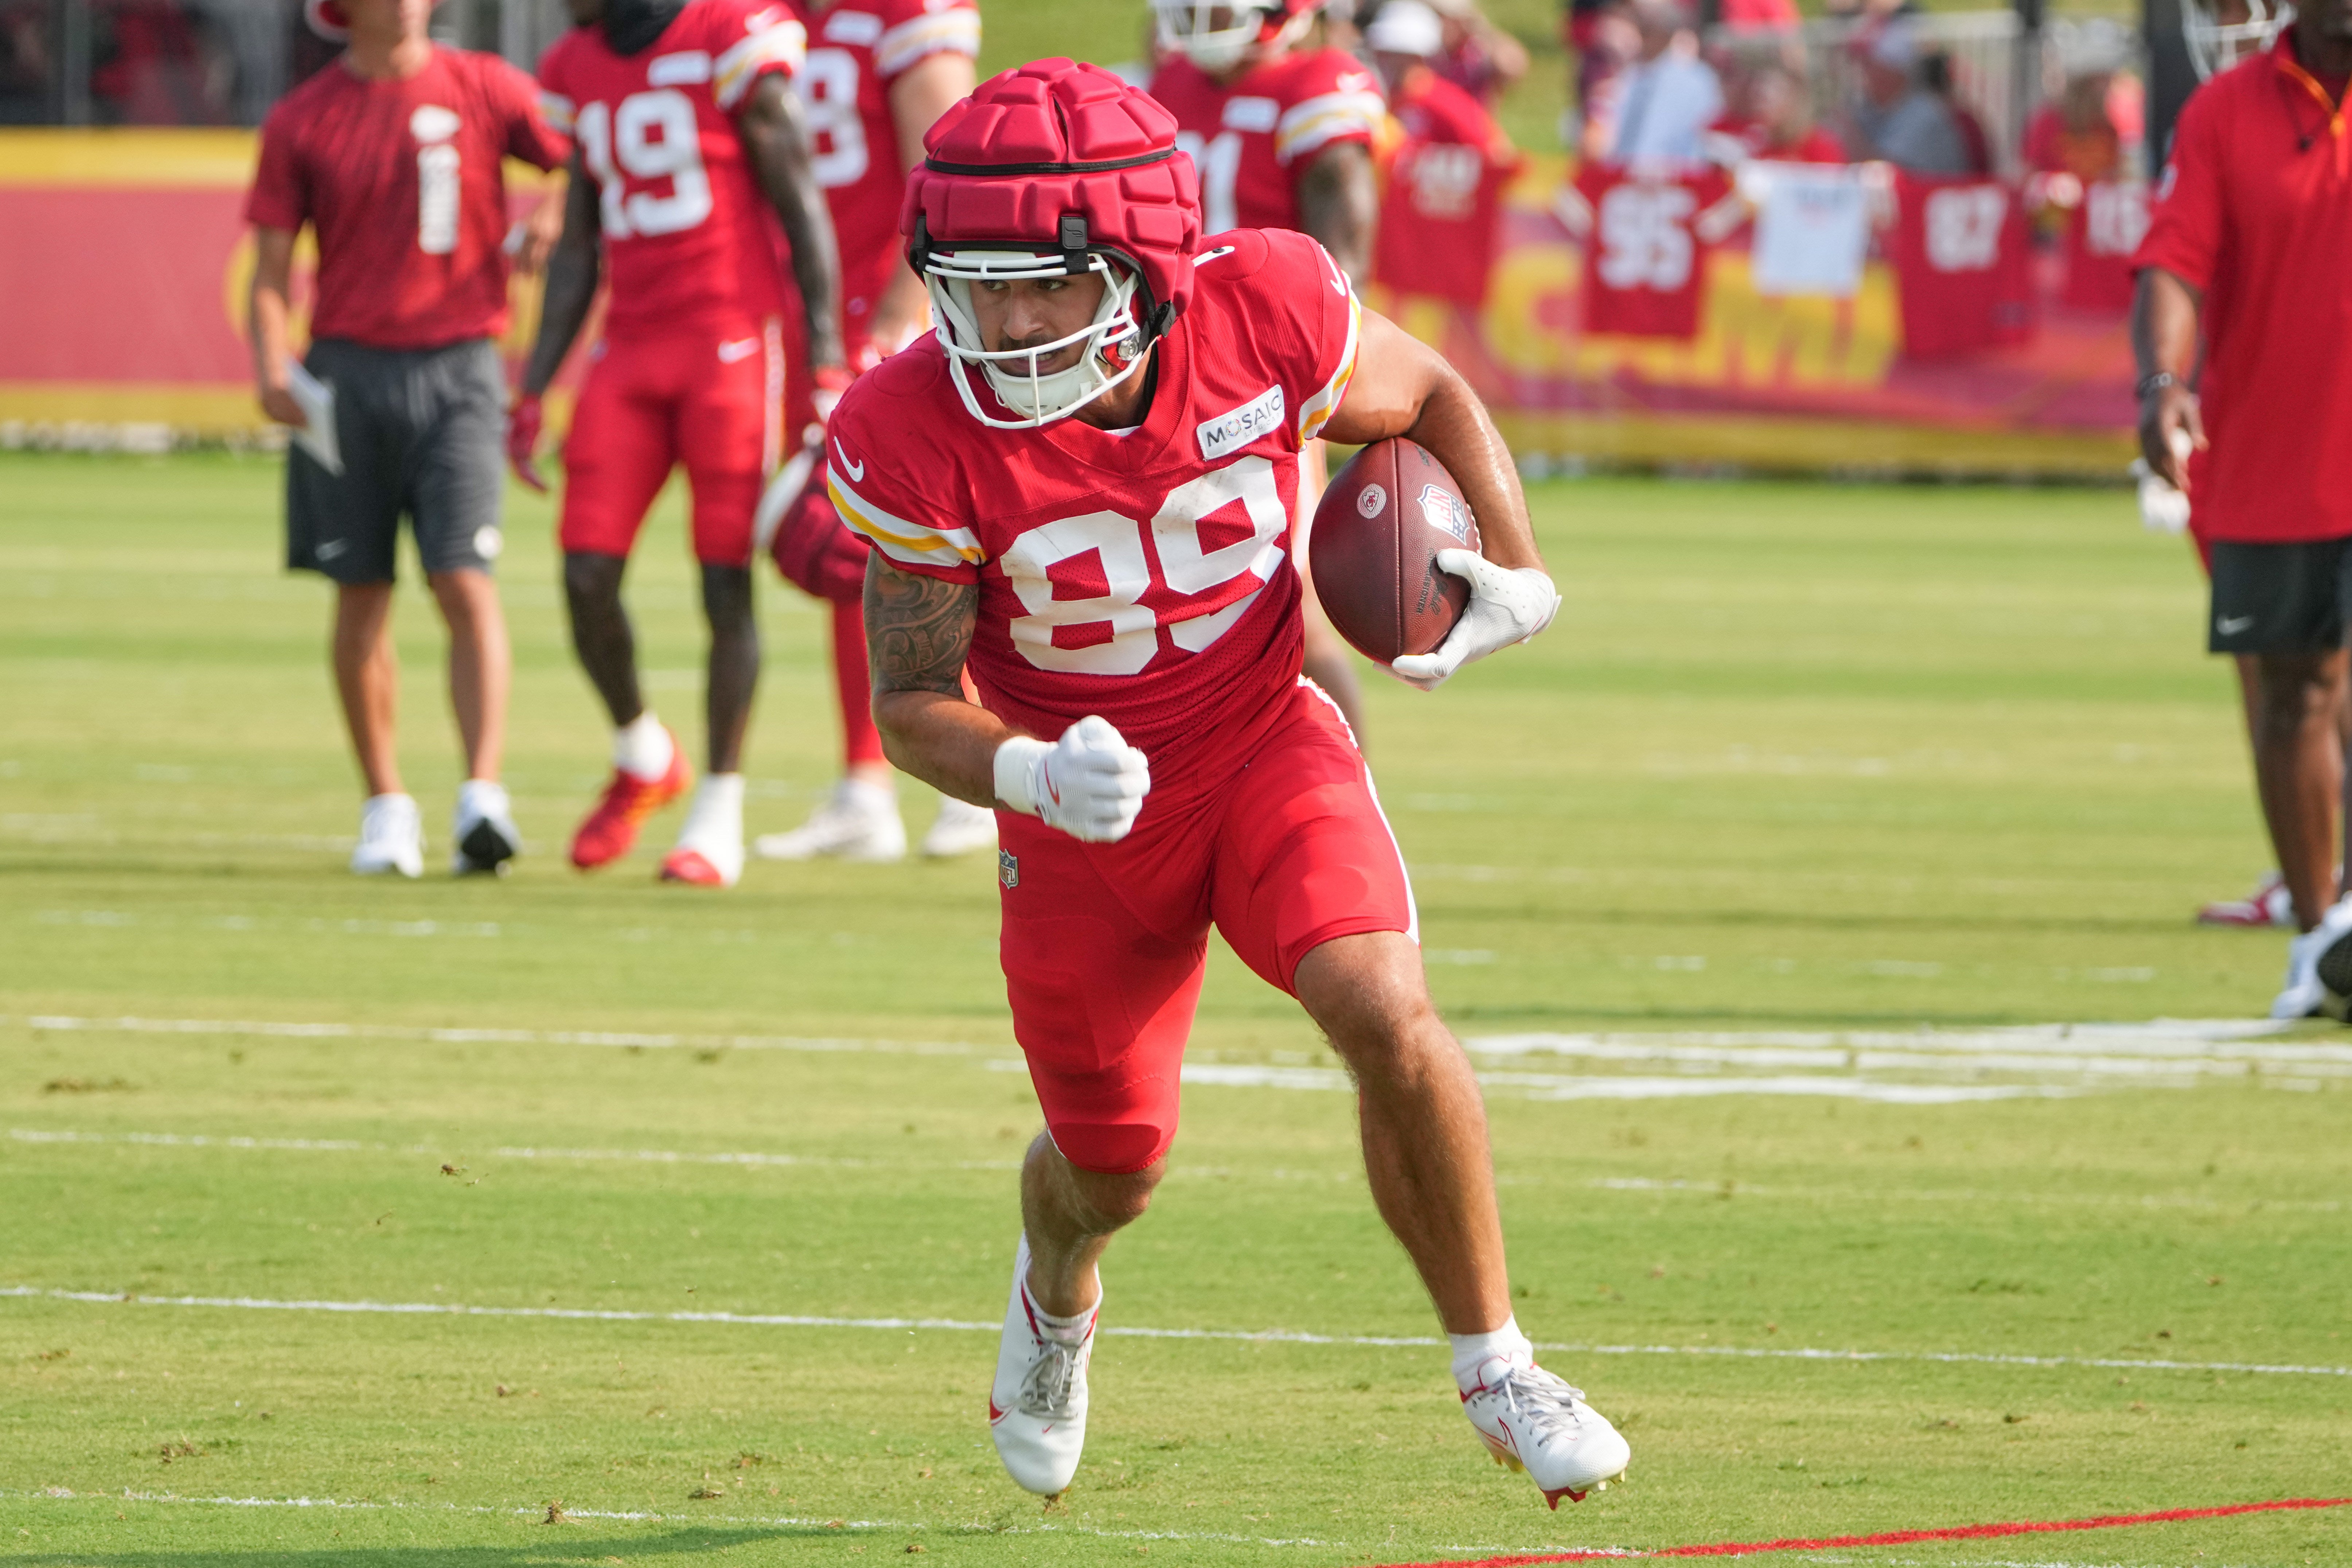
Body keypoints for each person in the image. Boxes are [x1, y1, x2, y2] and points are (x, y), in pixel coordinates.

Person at [830, 56, 1629, 1507]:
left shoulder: (1259, 303)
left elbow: (1431, 388)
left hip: (1263, 732)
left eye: (1038, 287)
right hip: (1079, 815)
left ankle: (1495, 1360)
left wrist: (1513, 566)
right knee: (1113, 1164)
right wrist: (1027, 771)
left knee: (1377, 1002)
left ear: (1133, 268)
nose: (1000, 322)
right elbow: (905, 704)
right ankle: (1054, 1288)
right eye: (975, 283)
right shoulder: (915, 424)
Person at [511, 0, 845, 887]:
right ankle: (642, 753)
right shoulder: (576, 64)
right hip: (629, 348)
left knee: (723, 584)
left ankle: (719, 808)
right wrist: (535, 381)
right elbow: (579, 240)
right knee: (585, 572)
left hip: (730, 345)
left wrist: (824, 356)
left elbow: (798, 195)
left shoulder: (726, 35)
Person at [245, 0, 567, 879]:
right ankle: (385, 803)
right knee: (359, 591)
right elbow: (271, 272)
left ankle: (481, 795)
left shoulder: (486, 86)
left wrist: (550, 212)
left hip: (462, 364)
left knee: (464, 578)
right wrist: (272, 361)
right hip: (347, 375)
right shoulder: (303, 118)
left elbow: (581, 159)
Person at [2131, 0, 2352, 1013]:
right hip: (2272, 454)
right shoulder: (2223, 111)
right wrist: (2161, 382)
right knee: (2291, 694)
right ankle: (2319, 942)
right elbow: (2174, 258)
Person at [751, 0, 996, 864]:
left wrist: (898, 320)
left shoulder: (903, 12)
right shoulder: (763, 18)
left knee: (947, 539)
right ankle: (862, 784)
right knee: (853, 544)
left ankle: (980, 760)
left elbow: (950, 173)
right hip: (811, 315)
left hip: (893, 320)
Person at [1150, 0, 1381, 740]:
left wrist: (1296, 377)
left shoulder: (1317, 82)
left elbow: (1341, 266)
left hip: (1261, 379)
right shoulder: (1173, 83)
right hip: (1158, 376)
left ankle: (1344, 806)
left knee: (1292, 605)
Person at [1843, 19, 1971, 175]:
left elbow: (1888, 173)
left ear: (1894, 72)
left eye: (1870, 66)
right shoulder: (1873, 109)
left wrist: (1848, 133)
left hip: (1932, 195)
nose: (1862, 74)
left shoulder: (1925, 115)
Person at [1608, 0, 1723, 167]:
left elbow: (1710, 135)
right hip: (1623, 179)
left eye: (1645, 29)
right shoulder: (1628, 76)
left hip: (1677, 180)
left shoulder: (1696, 79)